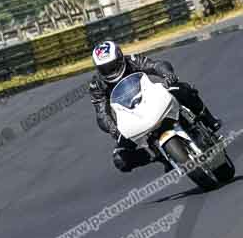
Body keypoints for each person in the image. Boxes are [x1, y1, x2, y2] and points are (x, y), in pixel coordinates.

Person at [88, 41, 221, 173]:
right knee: (120, 159)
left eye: (112, 65)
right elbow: (101, 113)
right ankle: (159, 156)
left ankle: (208, 120)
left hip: (152, 98)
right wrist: (112, 127)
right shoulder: (96, 85)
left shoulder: (132, 60)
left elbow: (156, 65)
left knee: (181, 88)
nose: (109, 71)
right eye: (104, 68)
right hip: (130, 117)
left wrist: (167, 74)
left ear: (120, 58)